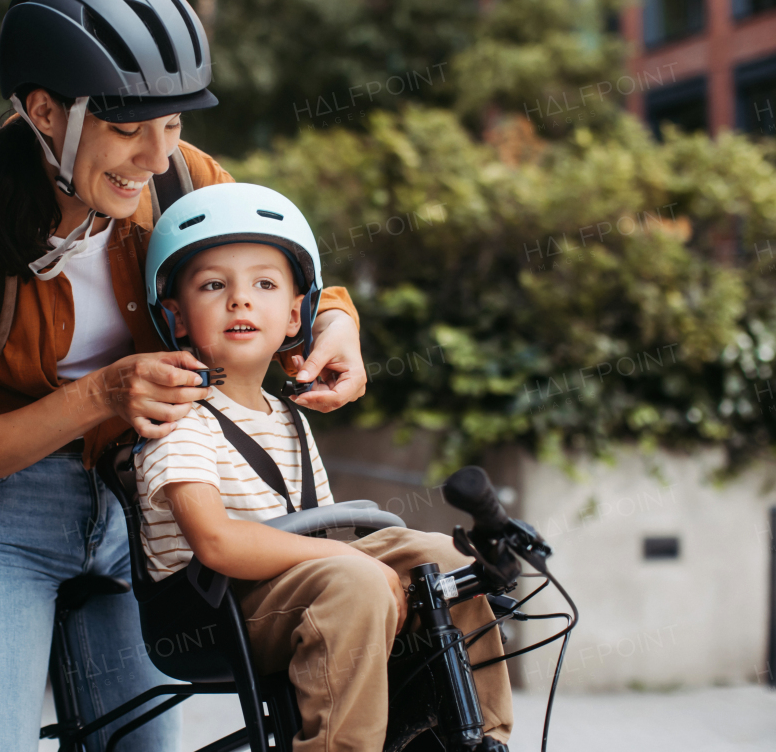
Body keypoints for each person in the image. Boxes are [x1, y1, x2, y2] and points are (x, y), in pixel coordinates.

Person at [0, 0, 367, 752]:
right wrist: (100, 395)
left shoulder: (180, 181)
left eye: (172, 125)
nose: (157, 157)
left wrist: (336, 322)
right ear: (44, 112)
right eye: (129, 129)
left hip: (142, 511)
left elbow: (268, 275)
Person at [134, 183, 513, 752]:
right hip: (213, 609)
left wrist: (360, 554)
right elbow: (215, 542)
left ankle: (479, 736)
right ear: (176, 316)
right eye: (214, 286)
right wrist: (346, 558)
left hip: (287, 588)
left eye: (263, 284)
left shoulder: (289, 416)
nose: (240, 300)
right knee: (355, 579)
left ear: (294, 317)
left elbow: (313, 529)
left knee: (445, 558)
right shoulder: (181, 416)